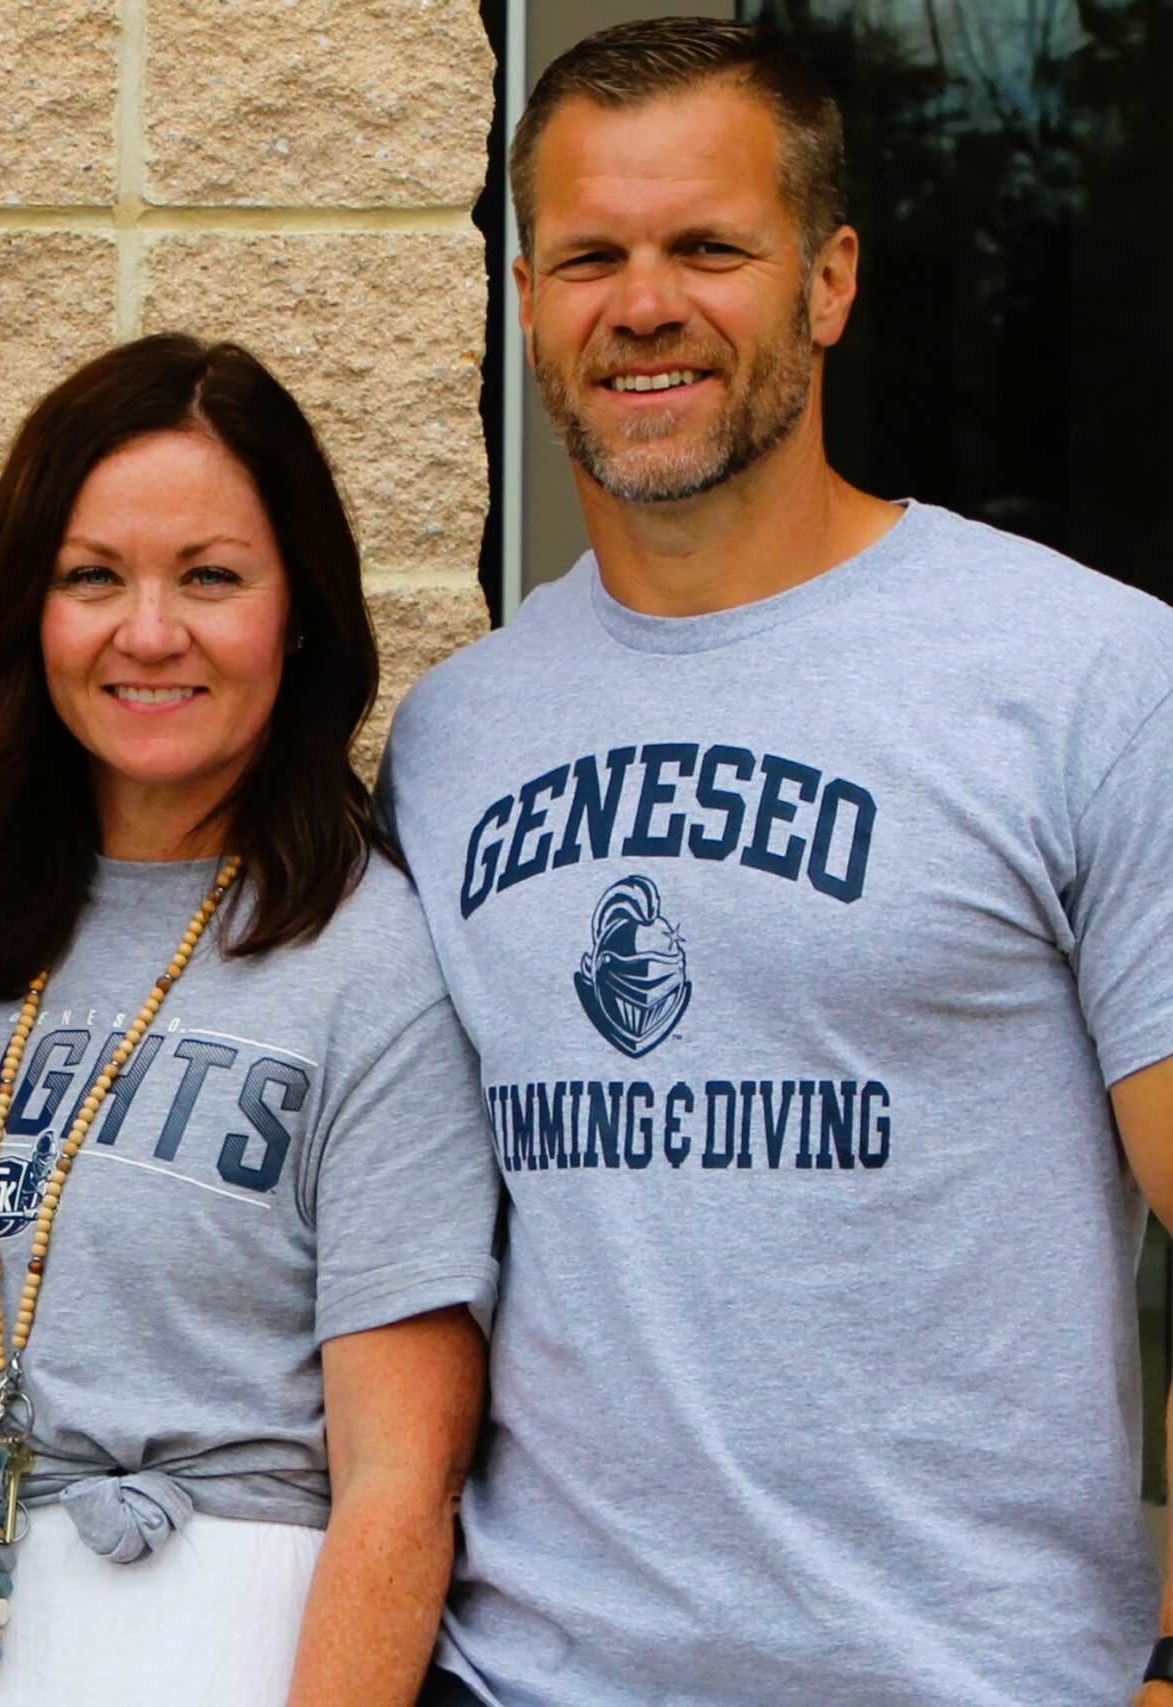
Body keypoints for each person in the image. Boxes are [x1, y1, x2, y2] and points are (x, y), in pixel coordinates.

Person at [375, 21, 1173, 1706]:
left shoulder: (1093, 676)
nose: (642, 302)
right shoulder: (456, 737)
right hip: (528, 1678)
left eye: (707, 248)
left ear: (830, 278)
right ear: (527, 300)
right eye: (590, 254)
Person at [0, 333, 501, 1706]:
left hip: (227, 1628)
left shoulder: (375, 956)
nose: (150, 631)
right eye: (94, 576)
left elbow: (401, 1474)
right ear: (32, 608)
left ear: (298, 610)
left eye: (211, 575)